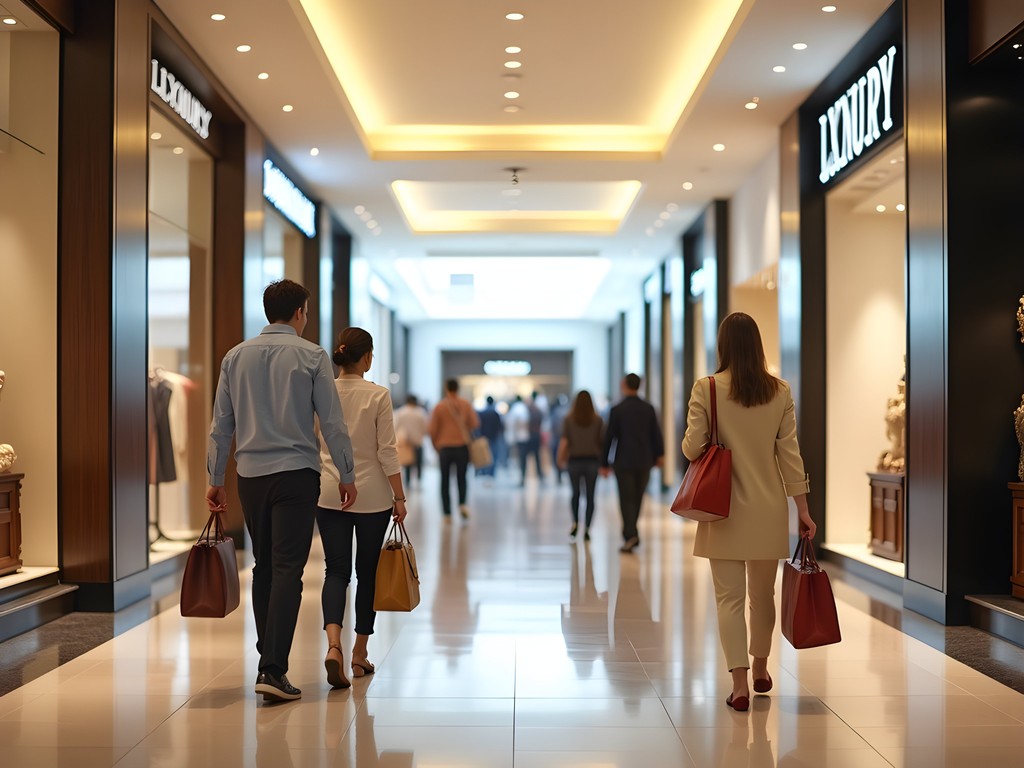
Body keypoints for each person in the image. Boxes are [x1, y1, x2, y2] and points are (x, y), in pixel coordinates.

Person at [206, 279, 357, 703]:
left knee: (264, 567)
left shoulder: (235, 357)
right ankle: (272, 668)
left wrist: (216, 479)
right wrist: (347, 473)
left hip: (250, 475)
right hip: (295, 474)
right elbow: (332, 424)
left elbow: (221, 427)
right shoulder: (312, 355)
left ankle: (268, 657)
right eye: (306, 312)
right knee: (289, 568)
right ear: (299, 313)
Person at [682, 312, 815, 713]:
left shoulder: (706, 388)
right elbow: (790, 456)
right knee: (763, 596)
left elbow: (691, 449)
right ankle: (760, 666)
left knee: (729, 600)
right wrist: (803, 510)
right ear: (757, 345)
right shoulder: (780, 391)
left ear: (723, 345)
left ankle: (739, 684)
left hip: (719, 511)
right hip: (768, 509)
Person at [317, 327, 408, 690]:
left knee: (335, 571)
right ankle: (359, 653)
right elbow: (387, 450)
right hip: (371, 497)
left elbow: (312, 442)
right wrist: (399, 497)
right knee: (367, 572)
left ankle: (333, 646)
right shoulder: (378, 396)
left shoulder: (321, 394)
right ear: (367, 357)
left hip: (328, 493)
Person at [600, 373, 664, 553]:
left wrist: (604, 463)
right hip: (645, 460)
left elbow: (609, 438)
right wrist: (660, 454)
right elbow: (656, 433)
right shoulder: (648, 408)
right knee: (637, 497)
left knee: (626, 498)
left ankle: (630, 534)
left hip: (623, 461)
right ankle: (632, 533)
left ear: (624, 385)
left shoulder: (617, 409)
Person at [557, 390, 604, 542]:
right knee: (590, 496)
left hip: (574, 461)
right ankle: (588, 528)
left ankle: (575, 523)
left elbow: (565, 442)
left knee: (575, 494)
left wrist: (560, 458)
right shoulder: (598, 420)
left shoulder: (569, 419)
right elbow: (601, 443)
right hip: (592, 461)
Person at [429, 379, 479, 520]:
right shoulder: (465, 404)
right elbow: (475, 423)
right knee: (461, 477)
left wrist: (436, 445)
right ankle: (462, 504)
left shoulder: (439, 406)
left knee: (444, 479)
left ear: (446, 388)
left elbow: (432, 430)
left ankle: (447, 513)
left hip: (444, 447)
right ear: (458, 388)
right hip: (462, 446)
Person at [394, 394, 429, 488]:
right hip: (418, 442)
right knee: (419, 463)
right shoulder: (421, 412)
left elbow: (395, 427)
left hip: (405, 442)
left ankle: (408, 483)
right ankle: (419, 480)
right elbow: (425, 428)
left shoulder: (400, 412)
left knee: (407, 464)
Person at [475, 395, 503, 478]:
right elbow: (499, 426)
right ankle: (491, 472)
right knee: (493, 455)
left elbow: (479, 425)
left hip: (484, 437)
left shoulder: (482, 413)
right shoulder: (496, 414)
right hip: (494, 437)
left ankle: (484, 471)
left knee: (485, 454)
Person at [506, 395, 531, 485]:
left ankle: (522, 478)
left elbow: (520, 423)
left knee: (521, 459)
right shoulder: (522, 408)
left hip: (520, 437)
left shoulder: (518, 409)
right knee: (521, 459)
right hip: (521, 437)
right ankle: (521, 477)